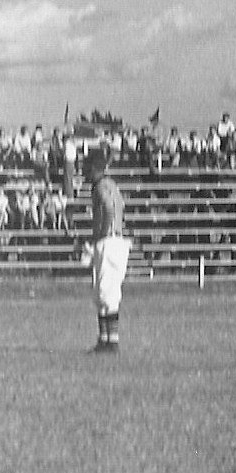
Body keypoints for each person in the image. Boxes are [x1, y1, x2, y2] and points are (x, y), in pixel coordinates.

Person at [82, 147, 130, 354]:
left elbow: (109, 207)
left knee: (106, 292)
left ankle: (111, 342)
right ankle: (105, 340)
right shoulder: (110, 184)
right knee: (103, 292)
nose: (84, 172)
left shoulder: (101, 186)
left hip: (109, 241)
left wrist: (102, 232)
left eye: (86, 168)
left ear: (94, 168)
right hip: (114, 241)